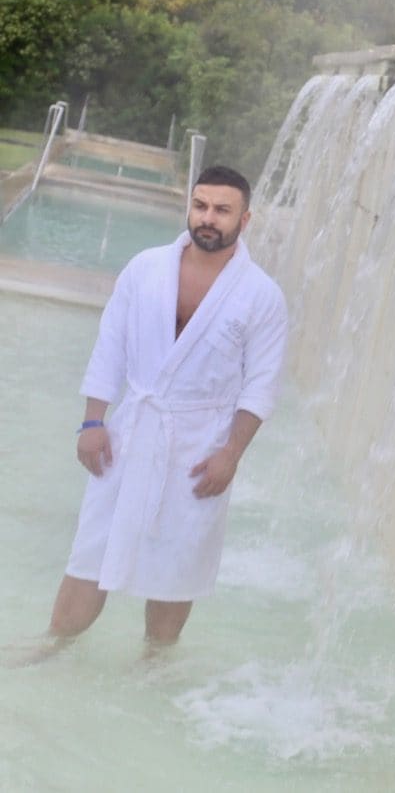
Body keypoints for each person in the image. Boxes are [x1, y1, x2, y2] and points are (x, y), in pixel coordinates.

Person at [46, 164, 288, 652]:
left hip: (200, 446)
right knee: (91, 549)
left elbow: (260, 388)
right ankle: (52, 646)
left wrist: (231, 454)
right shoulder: (146, 267)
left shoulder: (262, 296)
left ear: (245, 220)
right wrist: (93, 420)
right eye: (200, 205)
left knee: (179, 562)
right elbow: (110, 346)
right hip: (129, 431)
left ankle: (154, 663)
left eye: (222, 210)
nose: (208, 218)